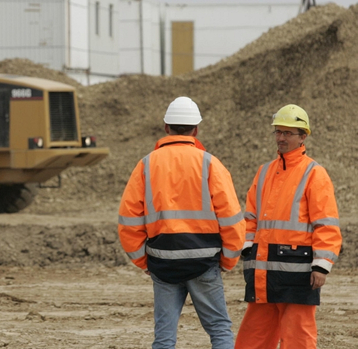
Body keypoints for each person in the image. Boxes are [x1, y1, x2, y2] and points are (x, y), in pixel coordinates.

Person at [118, 96, 246, 349]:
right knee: (220, 330)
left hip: (162, 261)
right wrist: (228, 260)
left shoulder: (146, 165)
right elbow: (231, 218)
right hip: (204, 261)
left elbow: (128, 220)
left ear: (166, 127)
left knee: (164, 337)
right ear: (196, 129)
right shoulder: (210, 163)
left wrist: (143, 261)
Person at [235, 104, 342, 349]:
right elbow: (250, 217)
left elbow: (326, 223)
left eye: (288, 133)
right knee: (253, 339)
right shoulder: (264, 172)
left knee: (298, 339)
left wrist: (322, 266)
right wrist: (246, 248)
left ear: (303, 136)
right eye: (278, 132)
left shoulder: (314, 173)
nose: (281, 138)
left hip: (298, 274)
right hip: (263, 272)